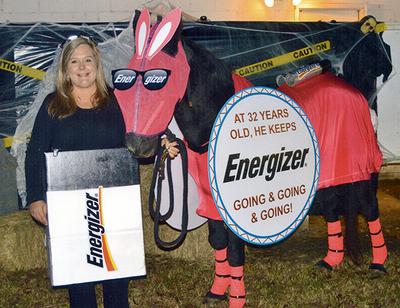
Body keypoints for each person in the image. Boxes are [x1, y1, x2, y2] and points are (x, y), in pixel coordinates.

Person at [25, 36, 130, 308]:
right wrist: (36, 197)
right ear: (65, 68)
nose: (82, 67)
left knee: (117, 275)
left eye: (88, 60)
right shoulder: (53, 105)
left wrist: (165, 142)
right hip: (68, 205)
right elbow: (35, 152)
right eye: (75, 61)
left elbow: (137, 136)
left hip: (113, 202)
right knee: (79, 281)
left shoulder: (117, 101)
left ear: (97, 63)